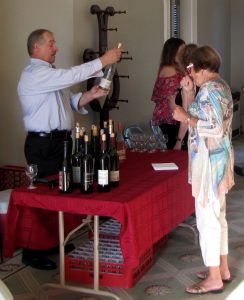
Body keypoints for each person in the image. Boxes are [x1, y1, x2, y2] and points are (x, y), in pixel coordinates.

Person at [17, 28, 121, 270]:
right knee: (43, 196)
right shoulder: (33, 74)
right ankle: (31, 252)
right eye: (51, 43)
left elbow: (70, 102)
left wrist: (90, 95)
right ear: (37, 48)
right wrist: (103, 61)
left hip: (60, 142)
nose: (56, 47)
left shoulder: (51, 74)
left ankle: (52, 242)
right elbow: (71, 75)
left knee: (61, 192)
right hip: (42, 144)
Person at [173, 45, 234, 294]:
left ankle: (213, 278)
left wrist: (185, 118)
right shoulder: (221, 86)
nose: (191, 75)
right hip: (219, 160)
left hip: (209, 164)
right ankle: (222, 269)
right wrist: (188, 93)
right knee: (218, 217)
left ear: (200, 67)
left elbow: (214, 127)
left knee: (207, 219)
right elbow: (198, 112)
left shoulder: (209, 90)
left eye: (192, 70)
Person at [151, 37, 186, 150]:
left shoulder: (168, 67)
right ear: (173, 53)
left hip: (171, 116)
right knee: (175, 150)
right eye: (181, 51)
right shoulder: (170, 69)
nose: (184, 54)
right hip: (170, 118)